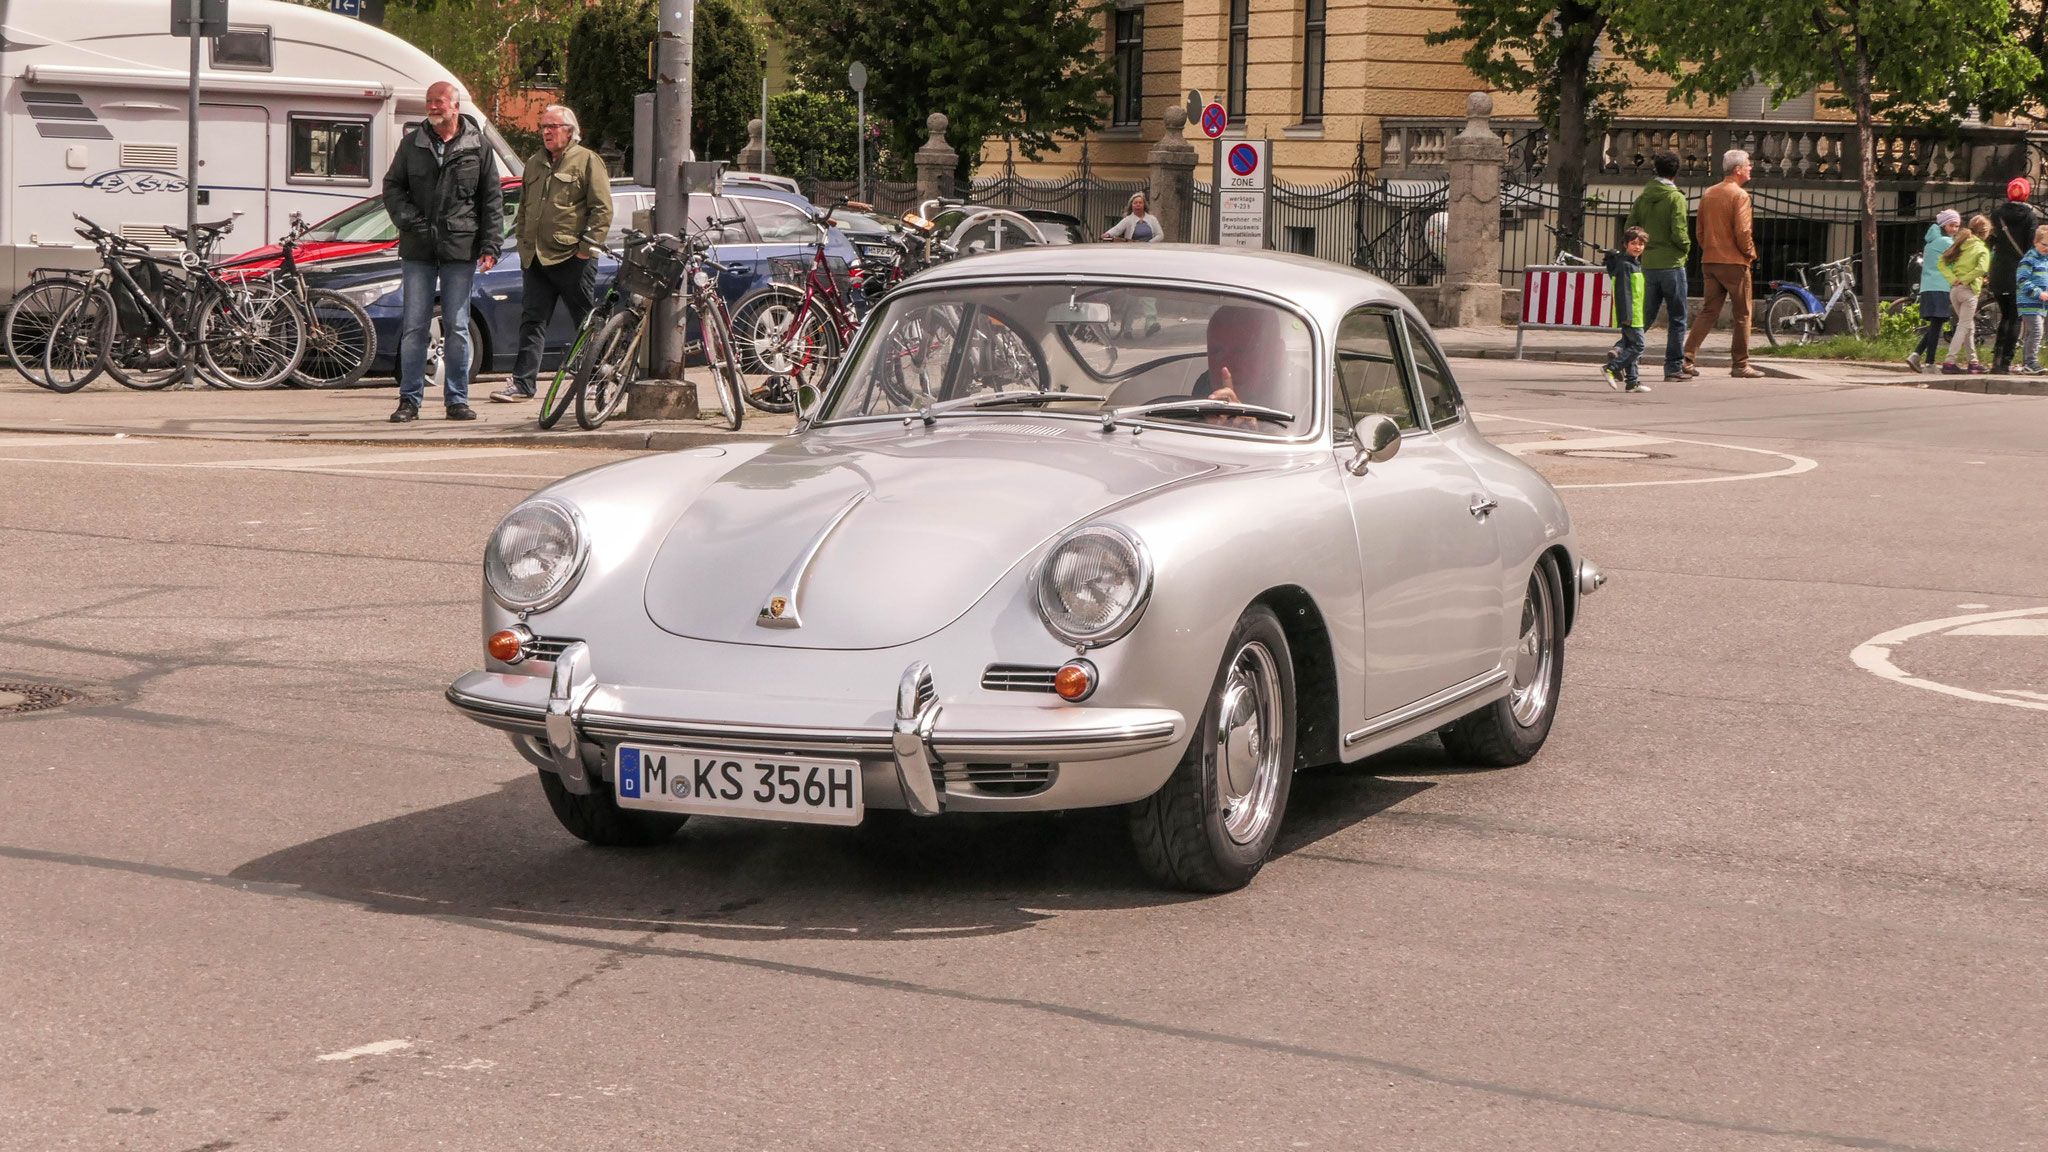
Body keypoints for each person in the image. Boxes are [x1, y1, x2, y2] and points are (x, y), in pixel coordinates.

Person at [381, 80, 503, 421]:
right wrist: (410, 219)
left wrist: (491, 244)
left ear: (455, 106)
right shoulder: (412, 143)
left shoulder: (477, 146)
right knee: (416, 327)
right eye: (429, 102)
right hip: (418, 249)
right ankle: (409, 400)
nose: (433, 107)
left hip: (460, 249)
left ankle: (457, 400)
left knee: (458, 326)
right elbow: (392, 188)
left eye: (439, 102)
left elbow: (491, 200)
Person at [491, 104, 613, 404]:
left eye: (552, 126)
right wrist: (522, 244)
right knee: (532, 320)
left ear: (569, 131)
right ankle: (523, 384)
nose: (546, 132)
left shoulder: (587, 161)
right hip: (535, 258)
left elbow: (602, 209)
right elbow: (525, 209)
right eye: (543, 127)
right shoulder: (534, 163)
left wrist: (586, 250)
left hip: (573, 257)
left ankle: (598, 379)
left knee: (585, 321)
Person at [1682, 149, 1765, 379]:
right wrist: (1750, 254)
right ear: (1738, 170)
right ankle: (1740, 364)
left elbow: (1699, 230)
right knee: (1743, 314)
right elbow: (1743, 230)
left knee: (1709, 311)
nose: (1751, 168)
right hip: (1735, 262)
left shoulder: (1709, 193)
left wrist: (1710, 248)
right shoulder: (1740, 195)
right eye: (1748, 165)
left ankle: (1687, 358)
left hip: (1710, 260)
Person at [1623, 150, 1692, 382]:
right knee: (1677, 318)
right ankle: (1673, 368)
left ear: (1656, 169)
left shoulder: (1643, 198)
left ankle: (1622, 352)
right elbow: (1679, 232)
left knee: (1644, 316)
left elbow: (1631, 227)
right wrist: (1686, 248)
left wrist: (1643, 246)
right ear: (1676, 171)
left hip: (1648, 264)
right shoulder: (1676, 198)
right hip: (1672, 264)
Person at [1987, 177, 2040, 374]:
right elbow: (2030, 246)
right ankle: (2006, 362)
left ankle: (1996, 360)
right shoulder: (2030, 216)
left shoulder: (1997, 214)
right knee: (2015, 318)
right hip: (2020, 272)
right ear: (2026, 193)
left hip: (1999, 272)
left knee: (2004, 317)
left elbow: (1990, 241)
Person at [1907, 210, 1962, 373]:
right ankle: (1930, 363)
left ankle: (1916, 355)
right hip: (1940, 286)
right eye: (1952, 225)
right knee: (1936, 325)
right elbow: (1959, 259)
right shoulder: (1945, 242)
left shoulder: (1931, 241)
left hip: (1928, 287)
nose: (1954, 229)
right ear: (1943, 225)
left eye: (1957, 226)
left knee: (1935, 326)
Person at [1938, 214, 1992, 374]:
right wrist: (1966, 279)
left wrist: (1954, 279)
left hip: (1955, 291)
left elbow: (1941, 262)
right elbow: (1982, 269)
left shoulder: (1961, 245)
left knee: (1969, 327)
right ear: (1985, 232)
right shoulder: (1982, 249)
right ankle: (1949, 362)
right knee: (1964, 326)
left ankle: (1973, 363)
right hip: (1969, 291)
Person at [1602, 227, 1651, 393]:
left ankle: (1632, 382)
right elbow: (1624, 292)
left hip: (1636, 313)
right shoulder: (1625, 265)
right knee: (1639, 345)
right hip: (1630, 314)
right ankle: (1611, 368)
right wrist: (1627, 315)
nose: (1637, 247)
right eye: (1633, 243)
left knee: (1631, 345)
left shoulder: (1633, 264)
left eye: (1641, 244)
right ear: (1625, 244)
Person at [2014, 224, 2048, 375]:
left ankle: (2027, 363)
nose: (2046, 248)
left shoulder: (2045, 260)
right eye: (2044, 245)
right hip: (2029, 302)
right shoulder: (2029, 259)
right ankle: (2030, 362)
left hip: (2041, 304)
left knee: (2032, 332)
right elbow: (2022, 280)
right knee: (2037, 331)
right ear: (2036, 242)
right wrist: (2038, 293)